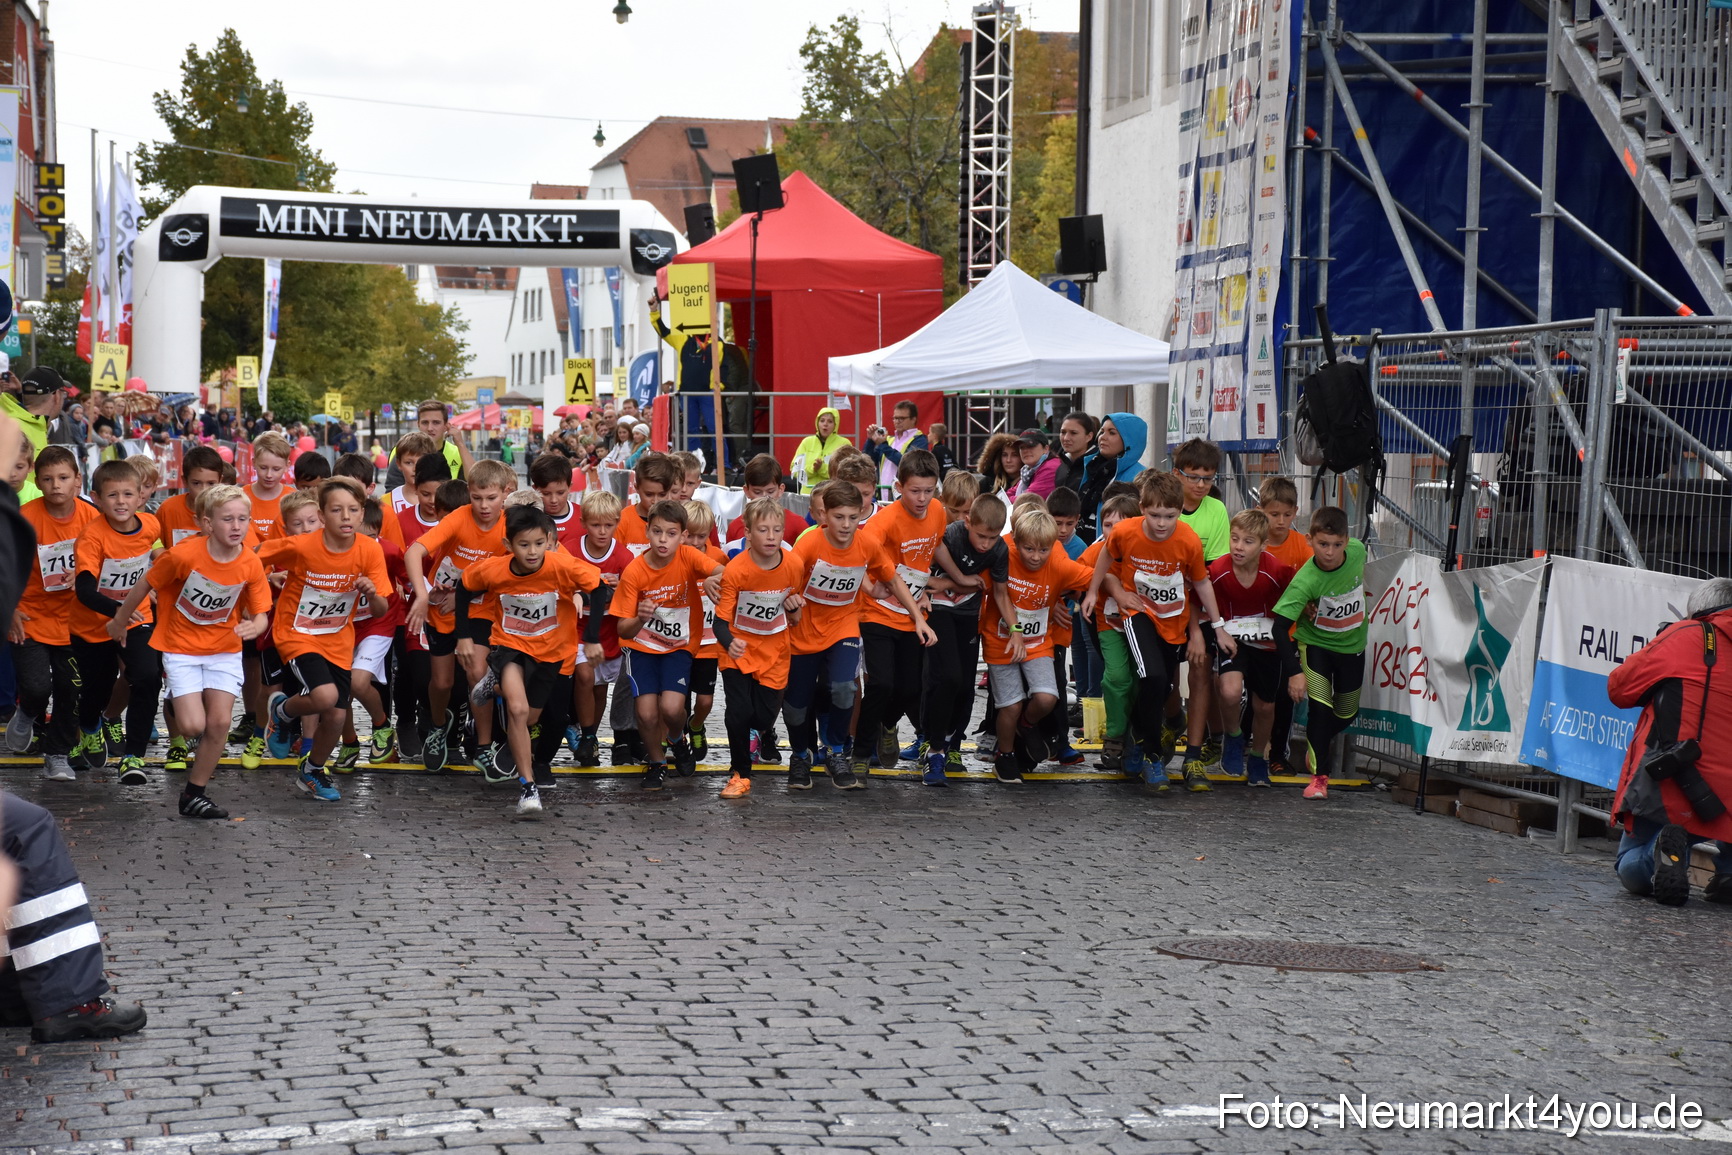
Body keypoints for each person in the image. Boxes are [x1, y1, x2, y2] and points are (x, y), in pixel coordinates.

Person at [108, 485, 272, 819]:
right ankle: (176, 701)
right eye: (228, 519)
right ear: (208, 524)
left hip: (224, 649)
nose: (237, 526)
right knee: (194, 726)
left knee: (220, 722)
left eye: (243, 519)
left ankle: (194, 795)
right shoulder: (184, 555)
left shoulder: (250, 562)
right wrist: (120, 620)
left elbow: (261, 612)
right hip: (180, 647)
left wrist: (256, 626)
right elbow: (146, 583)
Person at [1083, 471, 1237, 790]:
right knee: (1150, 677)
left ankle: (1141, 740)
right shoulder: (1125, 532)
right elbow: (1105, 556)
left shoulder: (1188, 540)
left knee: (1163, 685)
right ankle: (1152, 756)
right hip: (1137, 613)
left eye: (1170, 515)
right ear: (1143, 508)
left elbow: (1201, 583)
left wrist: (1219, 627)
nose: (1162, 523)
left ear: (1180, 512)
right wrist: (1091, 592)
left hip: (1173, 621)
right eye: (1154, 515)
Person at [785, 479, 931, 790]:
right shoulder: (809, 544)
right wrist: (792, 604)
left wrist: (918, 617)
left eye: (853, 517)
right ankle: (800, 755)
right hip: (805, 633)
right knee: (796, 706)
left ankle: (837, 751)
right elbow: (787, 584)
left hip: (843, 628)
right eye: (839, 517)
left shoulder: (866, 544)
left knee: (843, 689)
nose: (847, 525)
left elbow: (893, 580)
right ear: (825, 516)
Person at [459, 503, 603, 813]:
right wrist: (463, 635)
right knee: (519, 709)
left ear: (550, 540)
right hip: (510, 646)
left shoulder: (562, 565)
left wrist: (591, 637)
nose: (532, 551)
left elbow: (599, 588)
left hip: (551, 654)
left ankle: (492, 686)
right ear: (508, 545)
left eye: (539, 543)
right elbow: (463, 587)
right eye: (524, 545)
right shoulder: (494, 569)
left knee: (531, 717)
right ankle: (528, 788)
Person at [259, 477, 391, 801]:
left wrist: (372, 594)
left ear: (362, 515)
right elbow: (251, 557)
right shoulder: (303, 545)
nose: (345, 517)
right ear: (322, 516)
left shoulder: (370, 550)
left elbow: (381, 608)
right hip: (296, 633)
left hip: (337, 640)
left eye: (353, 510)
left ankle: (313, 769)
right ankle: (282, 712)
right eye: (336, 510)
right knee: (324, 695)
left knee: (336, 715)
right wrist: (265, 577)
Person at [1607, 578, 1732, 905]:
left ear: (1699, 612)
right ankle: (1729, 873)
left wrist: (1663, 641)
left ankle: (1659, 851)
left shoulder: (1686, 635)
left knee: (1630, 865)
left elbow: (1619, 689)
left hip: (1679, 782)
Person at [405, 459, 516, 772]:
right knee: (441, 682)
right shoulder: (458, 518)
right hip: (441, 609)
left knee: (477, 673)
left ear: (504, 494)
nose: (483, 506)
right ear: (469, 493)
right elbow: (414, 552)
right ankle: (439, 726)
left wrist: (464, 596)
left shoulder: (510, 525)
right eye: (477, 498)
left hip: (480, 608)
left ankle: (483, 745)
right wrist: (424, 595)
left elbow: (516, 572)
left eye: (491, 499)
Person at [609, 500, 724, 789]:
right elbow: (622, 627)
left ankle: (676, 736)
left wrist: (713, 579)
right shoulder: (635, 572)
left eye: (671, 533)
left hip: (679, 645)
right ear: (647, 531)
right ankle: (657, 762)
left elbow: (723, 572)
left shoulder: (687, 557)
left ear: (683, 536)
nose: (663, 540)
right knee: (646, 713)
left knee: (672, 709)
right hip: (642, 648)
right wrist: (640, 617)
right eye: (657, 532)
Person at [980, 507, 1093, 783]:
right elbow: (980, 585)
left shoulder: (1058, 561)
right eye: (1029, 549)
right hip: (1001, 642)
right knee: (1011, 705)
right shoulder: (1002, 553)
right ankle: (1004, 756)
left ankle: (1027, 725)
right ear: (1015, 542)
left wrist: (1110, 593)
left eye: (1043, 550)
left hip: (1038, 642)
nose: (1035, 557)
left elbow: (1095, 577)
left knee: (1046, 698)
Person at [68, 460, 163, 784]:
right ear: (95, 498)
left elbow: (156, 555)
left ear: (140, 497)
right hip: (93, 624)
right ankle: (91, 725)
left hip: (137, 618)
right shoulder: (91, 537)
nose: (121, 502)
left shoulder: (150, 525)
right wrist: (117, 612)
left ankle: (133, 756)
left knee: (148, 676)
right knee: (100, 686)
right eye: (112, 495)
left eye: (128, 494)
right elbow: (83, 591)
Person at [7, 447, 100, 778]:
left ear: (78, 480)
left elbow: (112, 561)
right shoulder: (24, 518)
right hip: (29, 617)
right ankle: (28, 711)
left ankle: (57, 754)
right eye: (48, 479)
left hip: (77, 621)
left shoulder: (93, 518)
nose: (56, 485)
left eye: (63, 478)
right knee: (36, 687)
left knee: (71, 690)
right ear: (37, 480)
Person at [853, 448, 945, 776]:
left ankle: (888, 725)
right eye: (914, 491)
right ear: (899, 486)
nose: (922, 499)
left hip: (910, 612)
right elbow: (857, 558)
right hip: (876, 612)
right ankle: (862, 753)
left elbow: (934, 549)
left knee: (910, 689)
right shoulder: (883, 522)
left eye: (928, 490)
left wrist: (953, 582)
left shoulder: (937, 511)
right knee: (881, 684)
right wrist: (869, 587)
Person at [710, 496, 808, 800]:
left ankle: (758, 733)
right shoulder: (737, 570)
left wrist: (793, 609)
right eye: (763, 530)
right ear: (748, 534)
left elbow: (795, 615)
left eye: (777, 530)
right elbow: (719, 624)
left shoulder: (793, 565)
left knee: (763, 719)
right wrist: (731, 643)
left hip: (775, 652)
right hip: (737, 651)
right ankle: (740, 774)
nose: (771, 537)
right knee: (737, 713)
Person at [1271, 506, 1368, 801]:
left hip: (1352, 646)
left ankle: (1318, 740)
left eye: (1337, 545)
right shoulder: (1306, 581)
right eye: (1323, 544)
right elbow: (1279, 628)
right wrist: (1294, 672)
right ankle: (1319, 779)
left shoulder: (1358, 551)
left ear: (1347, 540)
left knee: (1347, 713)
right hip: (1316, 647)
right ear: (1309, 540)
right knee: (1321, 710)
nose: (1330, 552)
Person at [923, 491, 1016, 784]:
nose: (985, 544)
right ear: (967, 521)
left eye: (992, 538)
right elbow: (919, 571)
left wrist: (1016, 631)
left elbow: (1000, 593)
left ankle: (950, 742)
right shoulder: (951, 535)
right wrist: (954, 581)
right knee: (948, 677)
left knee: (965, 685)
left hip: (966, 613)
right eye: (980, 536)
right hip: (938, 609)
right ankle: (934, 751)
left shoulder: (999, 550)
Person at [1208, 510, 1292, 786]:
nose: (1238, 547)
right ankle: (1233, 738)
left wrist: (1308, 608)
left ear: (1263, 545)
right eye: (1234, 539)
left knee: (1265, 706)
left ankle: (1258, 756)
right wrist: (1218, 628)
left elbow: (1298, 598)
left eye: (1247, 541)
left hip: (1268, 644)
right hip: (1233, 640)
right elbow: (1202, 601)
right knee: (1230, 692)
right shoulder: (1218, 571)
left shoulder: (1278, 571)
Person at [0, 367, 69, 503]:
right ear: (56, 395)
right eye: (64, 393)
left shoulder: (15, 422)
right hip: (17, 516)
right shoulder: (19, 429)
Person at [1078, 412, 1147, 535]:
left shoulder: (1140, 477)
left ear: (1129, 440)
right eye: (1102, 431)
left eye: (1112, 433)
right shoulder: (1093, 466)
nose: (1103, 437)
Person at [865, 400, 928, 503]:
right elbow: (868, 461)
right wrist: (870, 440)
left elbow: (908, 464)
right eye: (895, 418)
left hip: (903, 497)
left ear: (913, 419)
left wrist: (883, 445)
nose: (897, 421)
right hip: (881, 496)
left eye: (901, 418)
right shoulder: (890, 439)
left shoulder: (920, 440)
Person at [789, 407, 850, 494]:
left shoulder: (844, 443)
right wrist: (812, 469)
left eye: (830, 421)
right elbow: (794, 470)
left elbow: (846, 473)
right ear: (817, 423)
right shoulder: (806, 442)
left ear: (835, 425)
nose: (825, 424)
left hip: (833, 495)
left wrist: (822, 468)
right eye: (822, 420)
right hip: (808, 495)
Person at [1007, 429, 1061, 500]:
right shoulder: (1028, 470)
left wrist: (1003, 501)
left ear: (1046, 449)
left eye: (1030, 446)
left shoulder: (1050, 468)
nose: (1025, 451)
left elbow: (1028, 500)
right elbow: (1010, 493)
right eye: (1021, 447)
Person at [976, 432, 1022, 497]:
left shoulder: (1030, 483)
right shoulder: (986, 484)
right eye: (1004, 455)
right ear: (999, 457)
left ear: (1022, 457)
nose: (1008, 460)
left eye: (1015, 455)